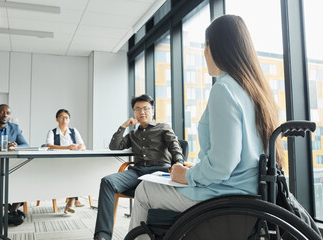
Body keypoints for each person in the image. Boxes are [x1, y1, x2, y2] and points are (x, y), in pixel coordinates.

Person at [128, 14, 285, 236]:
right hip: (248, 194)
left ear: (218, 48)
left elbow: (222, 166)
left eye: (206, 46)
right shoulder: (255, 90)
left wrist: (185, 175)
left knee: (144, 190)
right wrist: (198, 168)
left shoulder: (224, 89)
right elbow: (235, 160)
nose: (204, 53)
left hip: (223, 197)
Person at [93, 94, 185, 240]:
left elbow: (174, 145)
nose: (142, 112)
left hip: (159, 171)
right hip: (137, 171)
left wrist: (179, 161)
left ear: (152, 111)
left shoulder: (163, 127)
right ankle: (102, 236)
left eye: (145, 108)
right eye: (137, 109)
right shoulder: (133, 134)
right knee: (107, 182)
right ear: (134, 113)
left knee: (149, 191)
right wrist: (123, 126)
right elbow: (114, 146)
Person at [46, 109, 86, 214]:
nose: (64, 119)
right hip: (58, 162)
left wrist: (80, 147)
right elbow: (49, 146)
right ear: (56, 119)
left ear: (69, 120)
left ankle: (71, 201)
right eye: (61, 117)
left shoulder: (74, 131)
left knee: (76, 172)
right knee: (73, 173)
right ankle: (73, 201)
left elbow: (83, 145)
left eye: (66, 118)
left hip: (72, 161)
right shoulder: (52, 132)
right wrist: (67, 147)